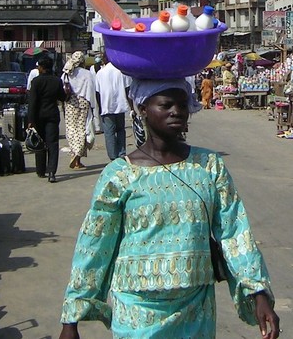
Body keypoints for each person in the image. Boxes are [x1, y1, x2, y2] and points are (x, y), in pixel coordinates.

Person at [58, 79, 280, 339]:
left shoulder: (209, 166)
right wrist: (71, 318)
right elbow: (95, 245)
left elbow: (234, 232)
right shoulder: (119, 175)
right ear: (142, 108)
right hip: (136, 309)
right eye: (166, 104)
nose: (177, 111)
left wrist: (258, 292)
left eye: (182, 104)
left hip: (195, 308)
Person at [27, 57, 66, 183]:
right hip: (52, 116)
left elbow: (32, 102)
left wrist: (30, 120)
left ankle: (40, 170)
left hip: (39, 116)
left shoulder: (36, 81)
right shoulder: (57, 81)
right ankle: (52, 173)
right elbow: (62, 97)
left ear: (42, 68)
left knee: (40, 143)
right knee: (53, 144)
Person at [62, 51, 97, 170]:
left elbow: (61, 87)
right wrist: (93, 105)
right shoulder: (87, 73)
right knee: (82, 129)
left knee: (71, 129)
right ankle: (77, 156)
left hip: (70, 103)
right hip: (84, 102)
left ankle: (75, 154)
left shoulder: (67, 73)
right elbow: (92, 89)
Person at [95, 57, 131, 162]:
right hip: (120, 106)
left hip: (106, 106)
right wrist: (131, 107)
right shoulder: (122, 72)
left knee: (109, 132)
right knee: (120, 130)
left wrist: (100, 107)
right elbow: (127, 89)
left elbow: (98, 92)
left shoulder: (100, 73)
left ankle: (112, 156)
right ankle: (122, 153)